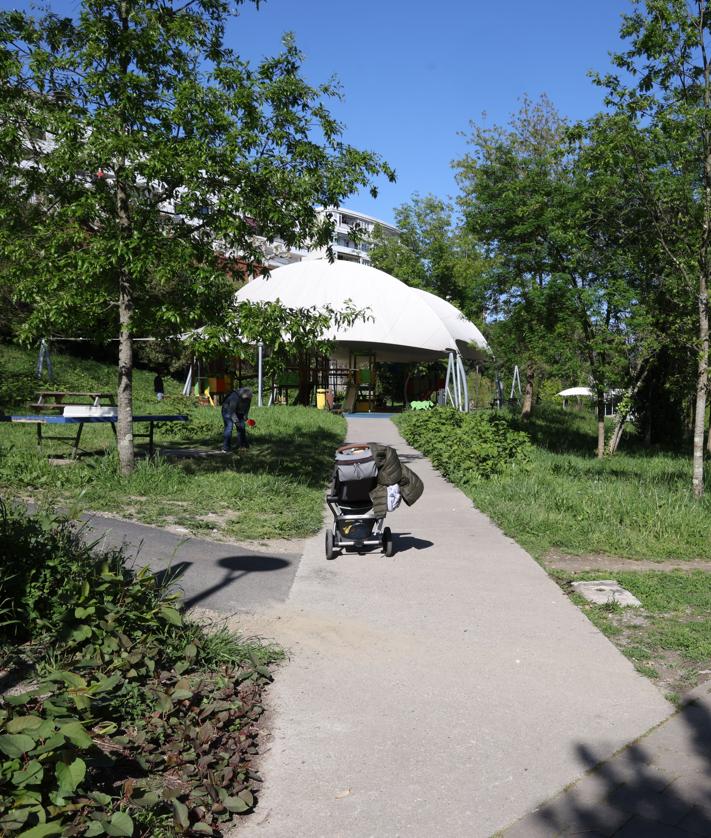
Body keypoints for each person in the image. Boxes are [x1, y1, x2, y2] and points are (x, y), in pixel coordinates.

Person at [221, 386, 252, 452]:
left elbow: (247, 407)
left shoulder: (248, 397)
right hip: (227, 410)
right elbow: (232, 411)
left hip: (238, 411)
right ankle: (225, 448)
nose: (246, 400)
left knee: (242, 427)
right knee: (229, 427)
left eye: (248, 399)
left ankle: (242, 445)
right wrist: (236, 421)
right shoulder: (234, 397)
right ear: (242, 395)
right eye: (245, 398)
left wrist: (245, 417)